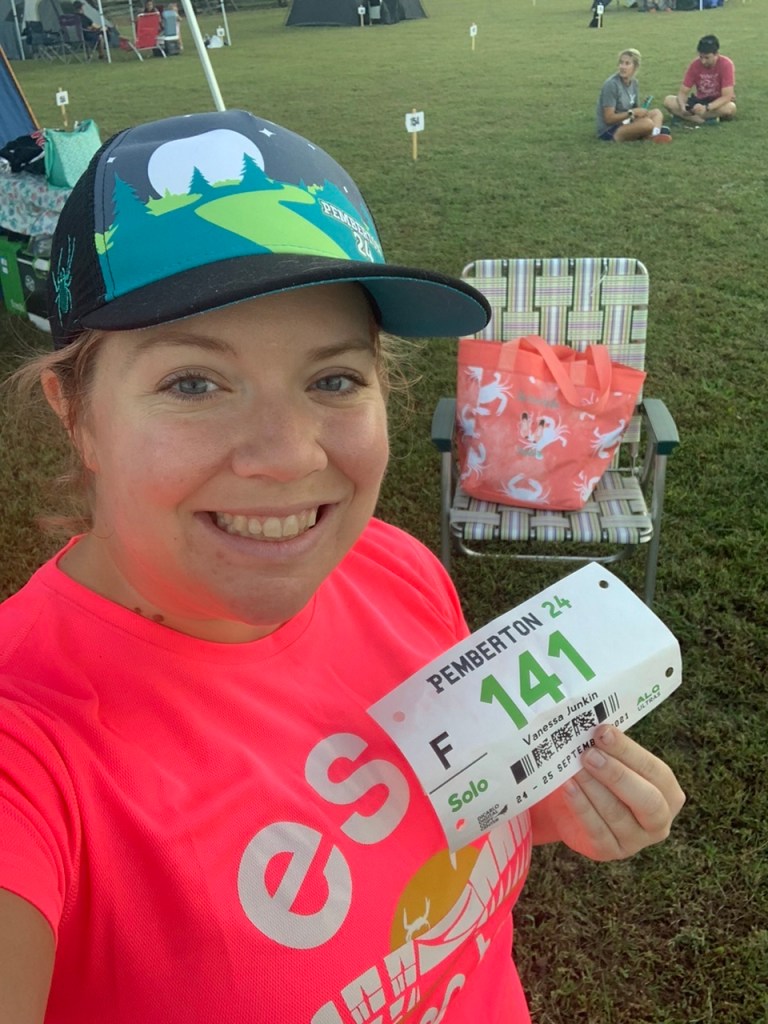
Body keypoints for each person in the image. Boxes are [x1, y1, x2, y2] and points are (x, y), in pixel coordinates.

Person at [0, 109, 686, 1023]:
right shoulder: (29, 747)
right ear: (75, 413)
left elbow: (432, 828)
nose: (287, 456)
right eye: (193, 384)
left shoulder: (392, 569)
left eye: (333, 380)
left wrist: (540, 804)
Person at [596, 48, 672, 143]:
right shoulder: (612, 85)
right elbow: (608, 118)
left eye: (627, 64)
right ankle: (652, 133)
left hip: (627, 121)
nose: (623, 67)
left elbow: (635, 111)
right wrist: (632, 112)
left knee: (657, 113)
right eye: (621, 63)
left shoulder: (634, 83)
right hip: (611, 130)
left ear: (635, 67)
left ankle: (654, 135)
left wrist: (641, 109)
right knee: (647, 123)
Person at [664, 34, 736, 126]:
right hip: (699, 101)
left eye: (707, 58)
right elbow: (683, 92)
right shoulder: (695, 64)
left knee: (730, 108)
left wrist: (707, 108)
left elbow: (727, 96)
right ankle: (704, 120)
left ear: (716, 54)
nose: (703, 61)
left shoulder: (726, 64)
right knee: (668, 100)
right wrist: (683, 107)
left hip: (716, 103)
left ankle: (690, 118)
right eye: (701, 57)